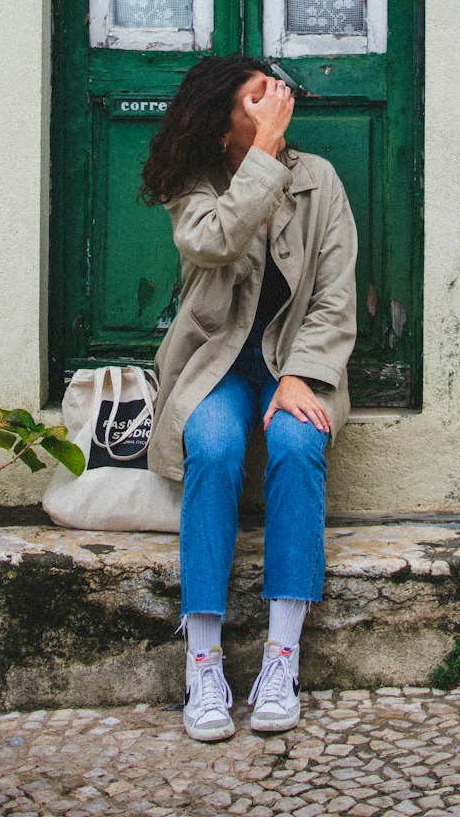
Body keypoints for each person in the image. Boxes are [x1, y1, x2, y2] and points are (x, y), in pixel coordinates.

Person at [141, 56, 357, 742]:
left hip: (294, 364)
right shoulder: (194, 184)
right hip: (216, 363)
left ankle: (281, 657)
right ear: (222, 122)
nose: (276, 110)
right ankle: (201, 662)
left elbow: (335, 294)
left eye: (277, 98)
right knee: (213, 446)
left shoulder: (318, 178)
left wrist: (303, 372)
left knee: (297, 445)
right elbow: (215, 241)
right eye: (256, 103)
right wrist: (264, 153)